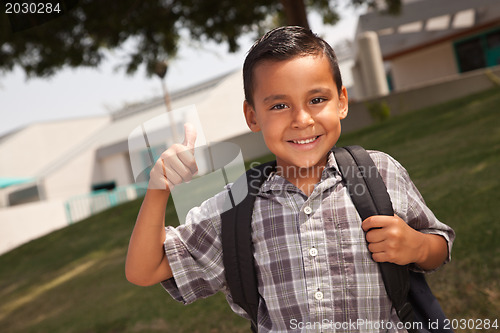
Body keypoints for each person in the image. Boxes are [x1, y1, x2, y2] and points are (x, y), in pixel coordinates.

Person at [125, 26, 455, 332]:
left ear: (341, 101)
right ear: (252, 115)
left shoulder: (379, 172)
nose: (301, 119)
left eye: (316, 100)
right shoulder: (236, 206)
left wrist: (418, 245)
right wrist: (158, 188)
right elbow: (145, 269)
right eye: (280, 105)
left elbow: (439, 244)